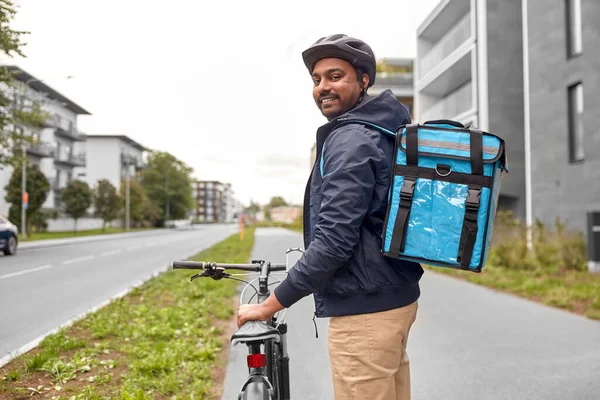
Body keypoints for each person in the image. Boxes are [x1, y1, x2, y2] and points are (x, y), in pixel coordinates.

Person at [237, 33, 424, 400]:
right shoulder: (382, 129)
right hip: (394, 299)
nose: (323, 87)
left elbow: (333, 242)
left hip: (366, 315)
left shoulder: (352, 139)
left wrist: (271, 304)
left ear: (364, 80)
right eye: (317, 79)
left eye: (335, 76)